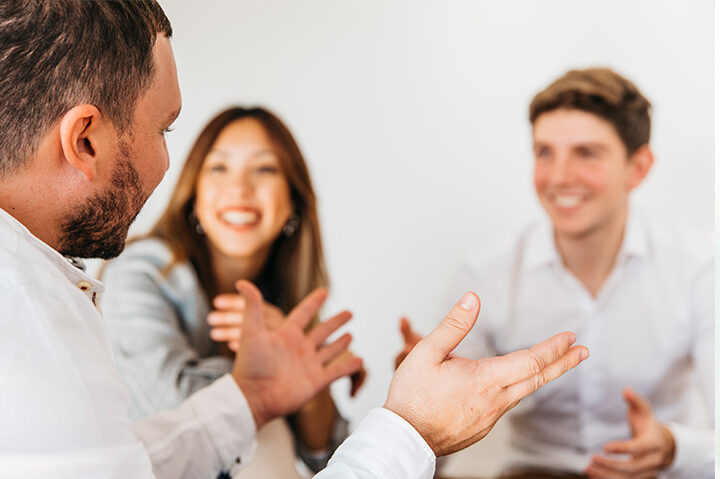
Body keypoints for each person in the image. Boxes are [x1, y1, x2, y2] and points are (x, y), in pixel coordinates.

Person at [0, 2, 588, 478]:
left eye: (264, 170)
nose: (166, 162)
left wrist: (257, 396)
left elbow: (129, 463)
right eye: (163, 129)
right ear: (84, 140)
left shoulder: (34, 290)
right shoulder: (41, 311)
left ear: (292, 200)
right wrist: (410, 429)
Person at [401, 67, 713, 478]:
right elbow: (433, 458)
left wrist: (673, 448)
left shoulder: (699, 268)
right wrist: (419, 410)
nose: (558, 177)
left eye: (586, 152)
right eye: (544, 152)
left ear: (638, 168)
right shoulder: (485, 275)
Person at [101, 106, 364, 475]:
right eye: (219, 168)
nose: (239, 188)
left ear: (294, 201)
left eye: (265, 169)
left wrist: (307, 369)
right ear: (194, 193)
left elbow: (327, 457)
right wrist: (284, 366)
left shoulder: (283, 296)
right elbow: (172, 409)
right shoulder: (142, 271)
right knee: (266, 431)